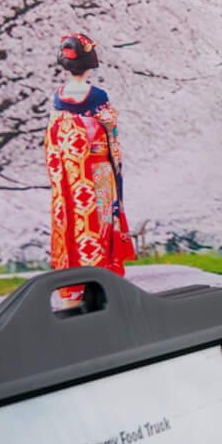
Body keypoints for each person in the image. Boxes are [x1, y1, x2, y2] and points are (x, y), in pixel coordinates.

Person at [45, 32, 131, 276]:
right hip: (98, 169)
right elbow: (111, 134)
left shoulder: (58, 96)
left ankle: (77, 272)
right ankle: (103, 271)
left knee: (76, 222)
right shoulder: (97, 96)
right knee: (101, 221)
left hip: (72, 176)